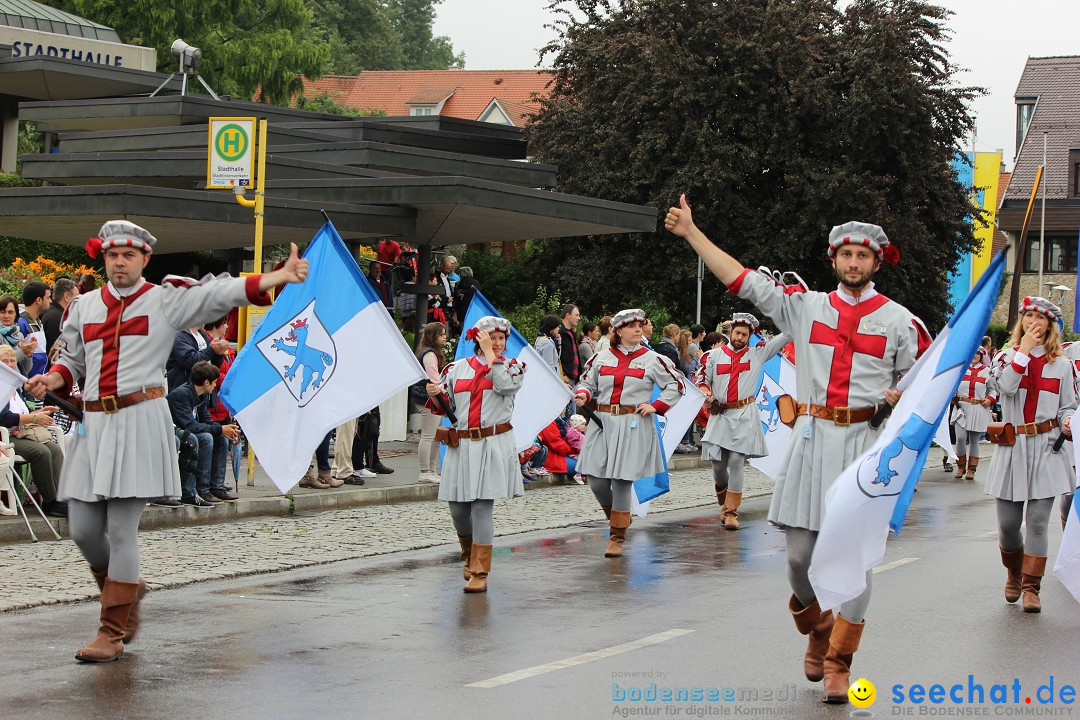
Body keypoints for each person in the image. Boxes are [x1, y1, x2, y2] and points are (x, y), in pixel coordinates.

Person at [666, 196, 930, 703]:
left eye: (863, 256)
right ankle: (816, 628)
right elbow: (741, 279)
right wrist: (693, 234)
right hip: (810, 442)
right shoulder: (804, 308)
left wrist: (898, 399)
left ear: (877, 262)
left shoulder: (900, 322)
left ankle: (839, 661)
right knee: (797, 561)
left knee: (854, 563)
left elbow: (919, 390)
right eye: (846, 255)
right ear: (834, 260)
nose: (854, 264)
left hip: (864, 448)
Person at [26, 219, 307, 663]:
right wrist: (51, 378)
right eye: (113, 255)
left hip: (139, 420)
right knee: (81, 529)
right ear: (104, 258)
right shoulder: (82, 307)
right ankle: (125, 590)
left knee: (120, 529)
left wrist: (276, 277)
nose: (120, 262)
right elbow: (71, 362)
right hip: (92, 425)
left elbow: (218, 294)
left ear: (144, 259)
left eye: (129, 255)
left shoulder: (164, 301)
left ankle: (111, 629)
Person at [984, 297, 1075, 614]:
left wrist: (1066, 422)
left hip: (1047, 447)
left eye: (1040, 317)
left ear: (1051, 324)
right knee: (1009, 525)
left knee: (1037, 522)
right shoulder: (1005, 357)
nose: (1034, 321)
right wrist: (1022, 351)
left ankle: (1031, 588)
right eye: (1029, 316)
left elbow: (1069, 406)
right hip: (1013, 446)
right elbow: (1005, 389)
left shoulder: (1062, 365)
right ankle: (1013, 571)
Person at [573, 309, 685, 558]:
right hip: (602, 423)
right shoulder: (600, 358)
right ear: (618, 330)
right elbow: (586, 383)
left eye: (640, 325)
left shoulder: (653, 359)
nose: (638, 329)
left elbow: (676, 386)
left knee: (621, 481)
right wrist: (583, 394)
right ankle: (619, 518)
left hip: (632, 424)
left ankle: (616, 536)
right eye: (632, 326)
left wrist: (656, 405)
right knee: (595, 480)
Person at [426, 315, 526, 592]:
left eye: (501, 338)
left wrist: (493, 358)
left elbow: (506, 386)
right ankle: (469, 555)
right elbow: (445, 406)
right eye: (491, 338)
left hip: (492, 444)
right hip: (462, 445)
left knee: (481, 507)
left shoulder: (513, 367)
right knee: (457, 509)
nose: (497, 343)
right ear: (477, 339)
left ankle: (480, 571)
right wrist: (434, 392)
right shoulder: (456, 368)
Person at [695, 313, 790, 530]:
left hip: (744, 413)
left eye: (744, 334)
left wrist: (797, 313)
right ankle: (724, 503)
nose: (740, 337)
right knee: (718, 467)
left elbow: (785, 337)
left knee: (737, 461)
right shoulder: (713, 356)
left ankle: (731, 512)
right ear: (731, 333)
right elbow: (701, 379)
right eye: (737, 333)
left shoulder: (758, 354)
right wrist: (706, 394)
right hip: (720, 415)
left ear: (750, 336)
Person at [0, 344, 64, 517]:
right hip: (6, 434)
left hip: (22, 431)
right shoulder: (2, 387)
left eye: (12, 360)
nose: (9, 364)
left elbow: (22, 413)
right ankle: (50, 501)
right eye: (4, 361)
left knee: (55, 449)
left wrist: (38, 413)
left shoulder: (16, 386)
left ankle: (61, 498)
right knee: (41, 452)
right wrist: (34, 419)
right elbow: (3, 418)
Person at [167, 361, 242, 507]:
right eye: (214, 382)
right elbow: (189, 425)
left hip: (189, 430)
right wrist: (220, 429)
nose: (215, 386)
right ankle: (200, 489)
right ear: (206, 382)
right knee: (206, 438)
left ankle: (216, 486)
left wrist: (224, 429)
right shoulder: (181, 395)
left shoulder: (203, 395)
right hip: (176, 430)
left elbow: (207, 420)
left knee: (221, 437)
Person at [950, 349, 994, 481]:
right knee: (961, 438)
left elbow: (992, 390)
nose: (974, 355)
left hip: (978, 408)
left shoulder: (987, 371)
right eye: (972, 353)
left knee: (974, 440)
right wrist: (952, 394)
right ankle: (960, 466)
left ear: (981, 356)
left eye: (977, 354)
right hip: (961, 408)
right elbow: (952, 386)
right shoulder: (961, 369)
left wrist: (990, 399)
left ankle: (971, 469)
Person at [416, 322, 447, 483]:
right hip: (429, 397)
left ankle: (432, 469)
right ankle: (425, 470)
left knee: (436, 436)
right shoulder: (429, 355)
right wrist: (445, 390)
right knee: (429, 435)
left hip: (434, 397)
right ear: (433, 336)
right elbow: (434, 379)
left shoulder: (431, 353)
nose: (445, 337)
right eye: (442, 334)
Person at [18, 280, 51, 377]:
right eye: (48, 297)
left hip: (39, 380)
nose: (50, 301)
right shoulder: (22, 323)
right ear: (39, 300)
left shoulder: (38, 321)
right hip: (28, 383)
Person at [0, 294, 35, 375]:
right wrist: (22, 352)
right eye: (3, 312)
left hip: (18, 384)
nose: (6, 316)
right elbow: (4, 363)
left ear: (16, 314)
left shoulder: (19, 335)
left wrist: (28, 354)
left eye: (10, 312)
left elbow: (26, 370)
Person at [44, 278, 79, 357]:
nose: (79, 301)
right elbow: (56, 352)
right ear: (66, 296)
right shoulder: (57, 318)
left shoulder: (54, 313)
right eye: (76, 297)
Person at [559, 304, 582, 385]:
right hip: (565, 380)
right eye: (576, 315)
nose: (579, 318)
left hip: (574, 379)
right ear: (568, 315)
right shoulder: (559, 333)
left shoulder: (571, 332)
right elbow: (556, 356)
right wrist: (563, 375)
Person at [534, 314, 562, 378]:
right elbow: (549, 366)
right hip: (551, 380)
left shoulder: (542, 339)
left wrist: (558, 341)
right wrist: (559, 383)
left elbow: (556, 358)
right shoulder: (546, 343)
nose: (559, 328)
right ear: (552, 327)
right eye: (558, 326)